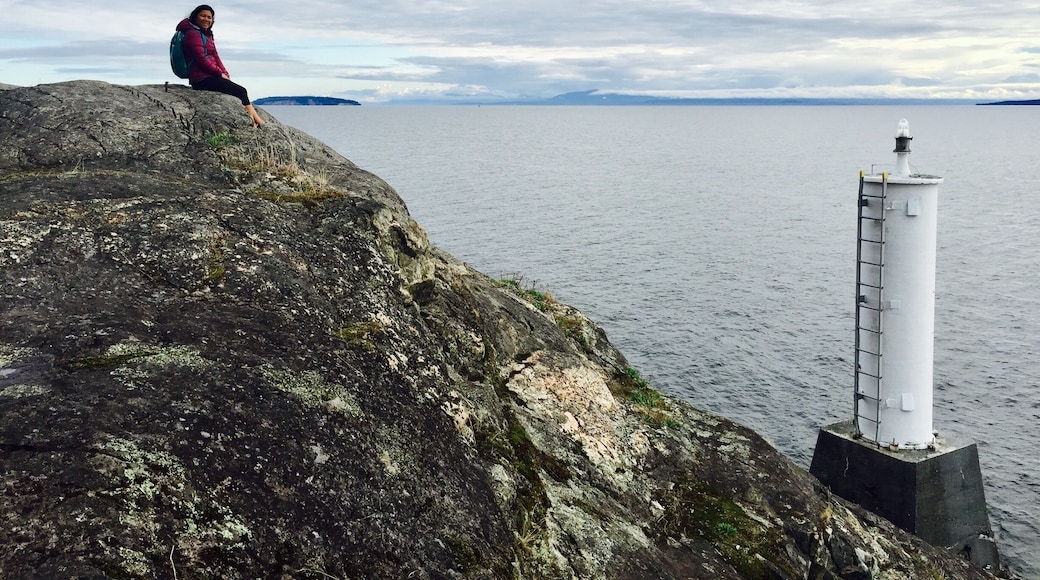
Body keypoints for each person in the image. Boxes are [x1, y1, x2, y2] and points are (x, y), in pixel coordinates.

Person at [176, 5, 264, 127]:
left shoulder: (206, 34)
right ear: (195, 17)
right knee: (241, 91)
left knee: (238, 91)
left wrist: (224, 73)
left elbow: (215, 56)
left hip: (210, 76)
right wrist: (219, 73)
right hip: (201, 79)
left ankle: (257, 120)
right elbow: (201, 60)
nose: (206, 19)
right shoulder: (192, 35)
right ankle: (255, 122)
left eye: (209, 17)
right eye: (203, 16)